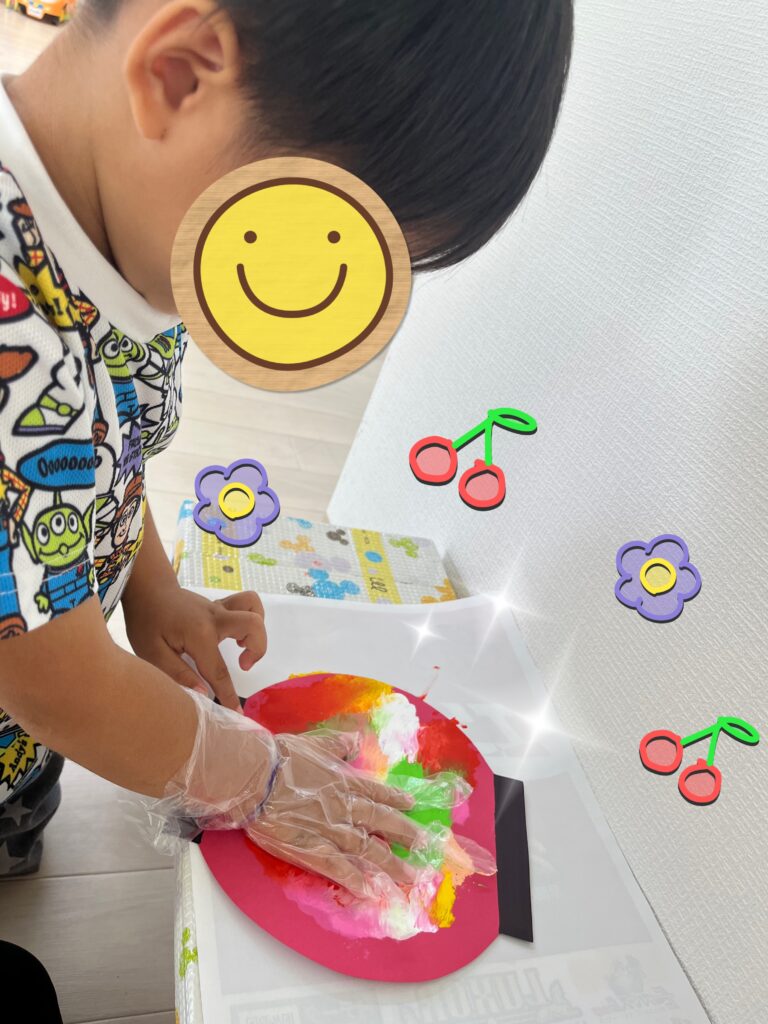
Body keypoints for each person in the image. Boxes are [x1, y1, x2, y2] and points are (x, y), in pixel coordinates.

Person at [0, 0, 572, 886]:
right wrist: (258, 777)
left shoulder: (115, 236)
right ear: (179, 75)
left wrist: (152, 587)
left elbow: (85, 466)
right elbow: (52, 681)